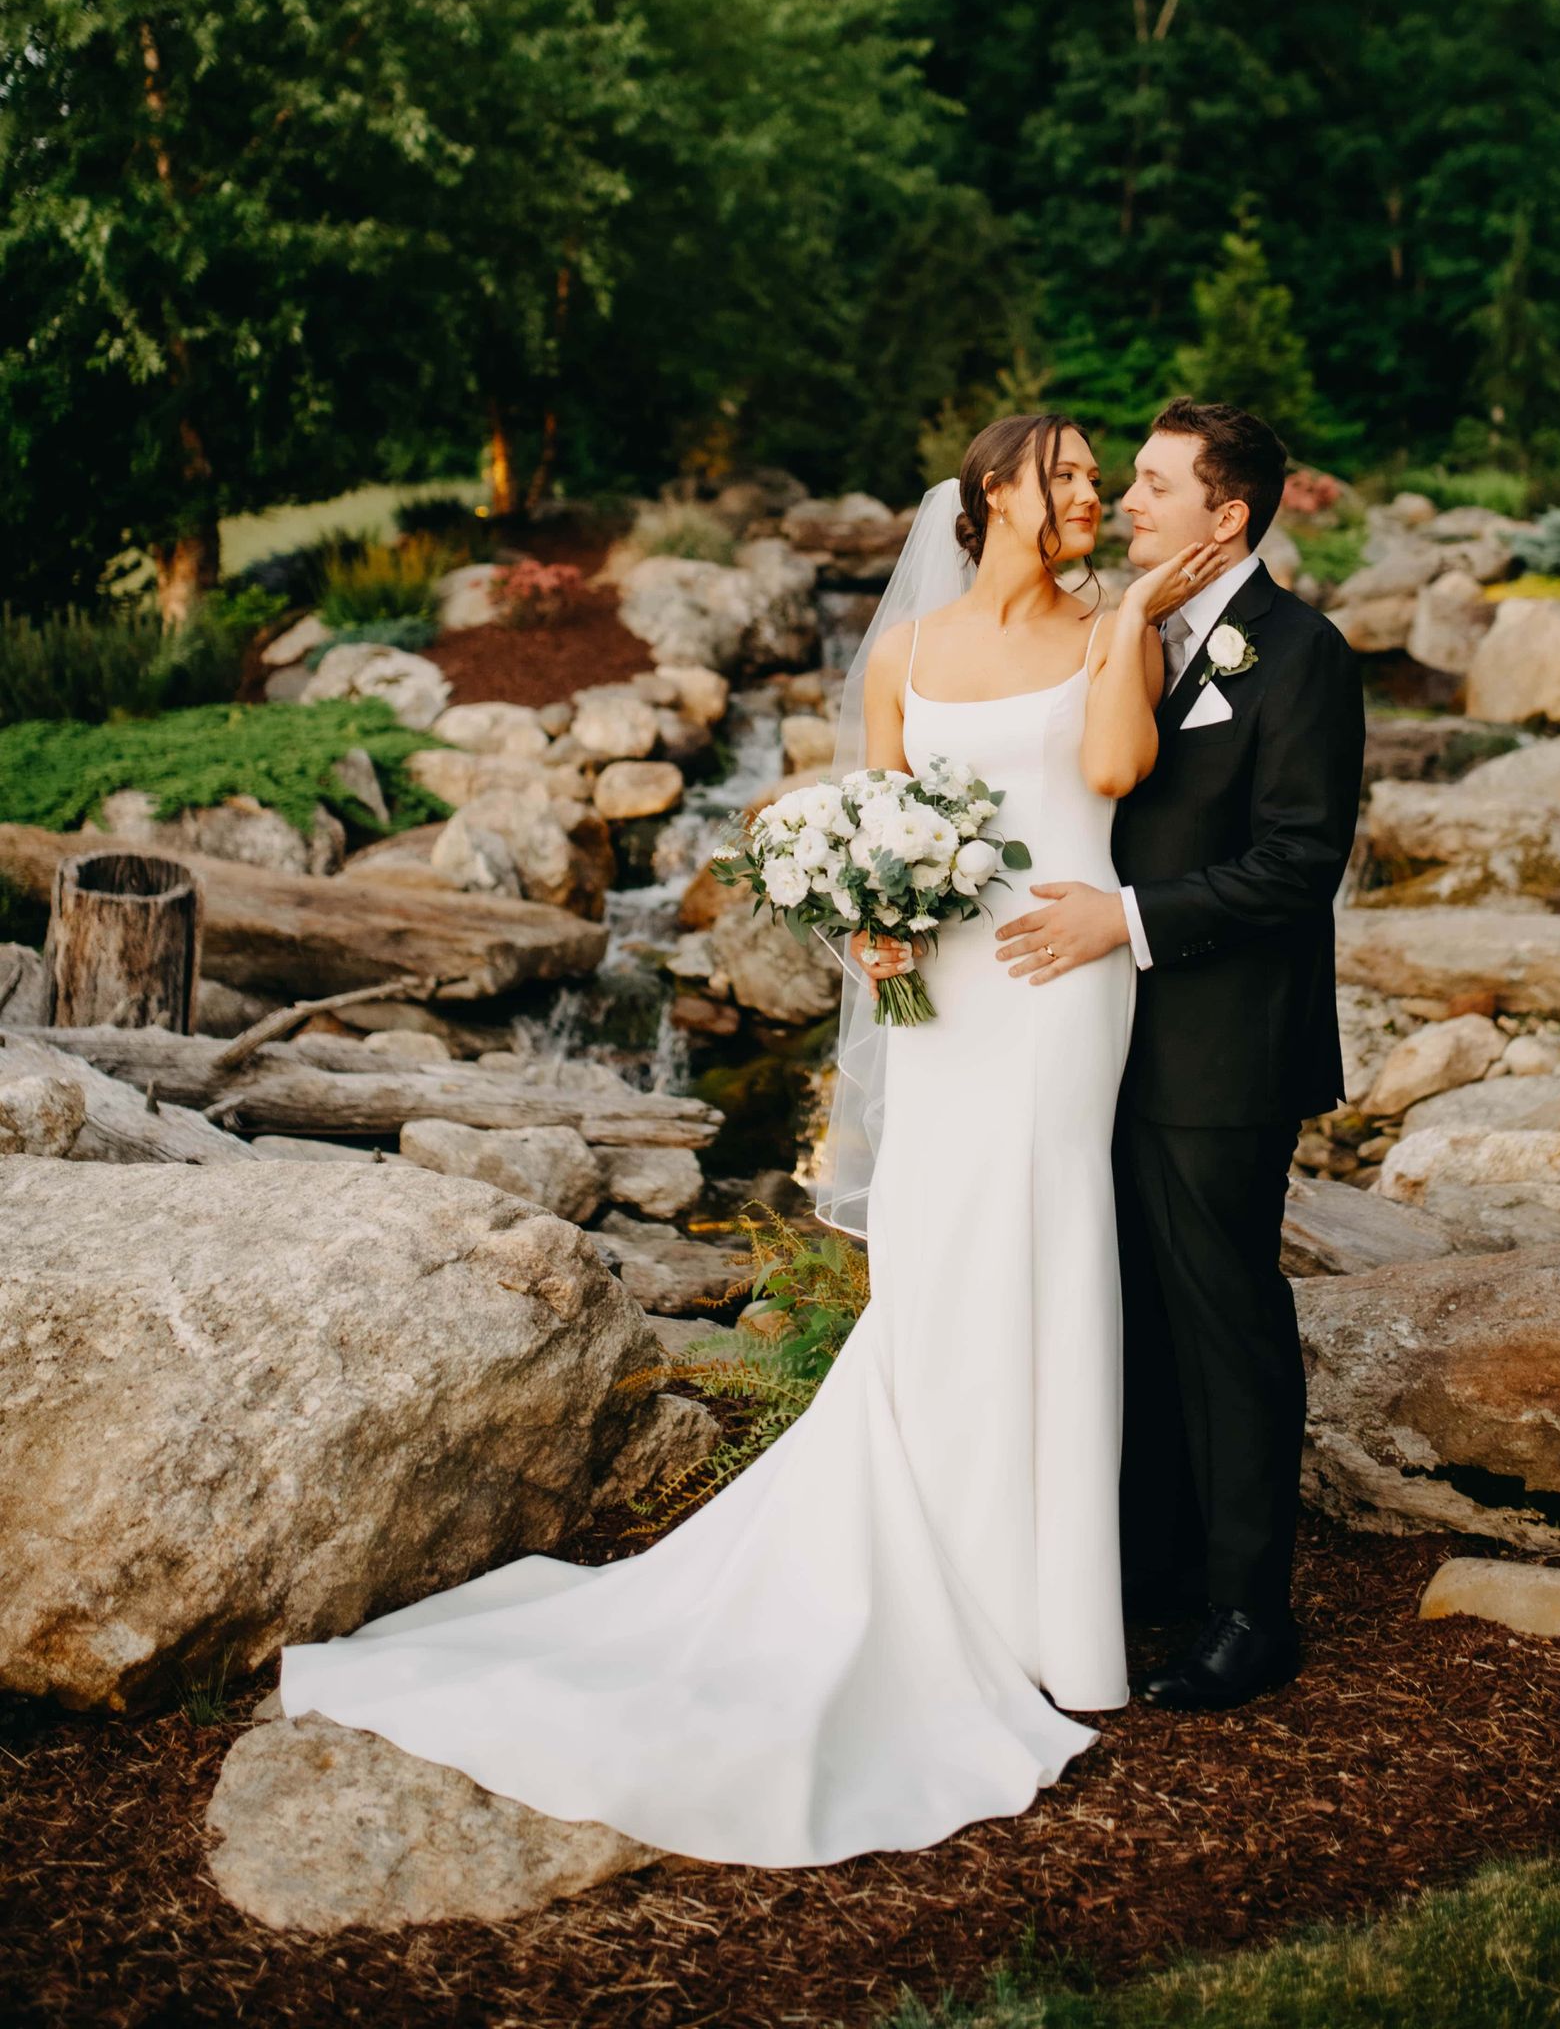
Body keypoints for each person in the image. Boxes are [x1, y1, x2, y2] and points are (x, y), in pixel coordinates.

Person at [278, 413, 1228, 1866]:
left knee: (1054, 1248)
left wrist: (1130, 633)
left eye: (1108, 477)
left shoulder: (1118, 630)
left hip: (1063, 981)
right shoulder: (905, 654)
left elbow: (1106, 781)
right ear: (995, 493)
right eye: (1074, 472)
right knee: (936, 1249)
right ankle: (945, 1578)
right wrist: (868, 911)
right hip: (950, 984)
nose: (1097, 493)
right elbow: (889, 812)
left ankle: (1046, 1617)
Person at [993, 398, 1365, 1711]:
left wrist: (1129, 921)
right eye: (1127, 482)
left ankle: (1251, 1613)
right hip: (1106, 1043)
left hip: (1225, 1054)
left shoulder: (1300, 655)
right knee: (1136, 1315)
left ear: (1229, 515)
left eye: (1153, 484)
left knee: (1225, 1324)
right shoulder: (1139, 631)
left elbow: (1297, 862)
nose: (1125, 502)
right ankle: (1152, 1568)